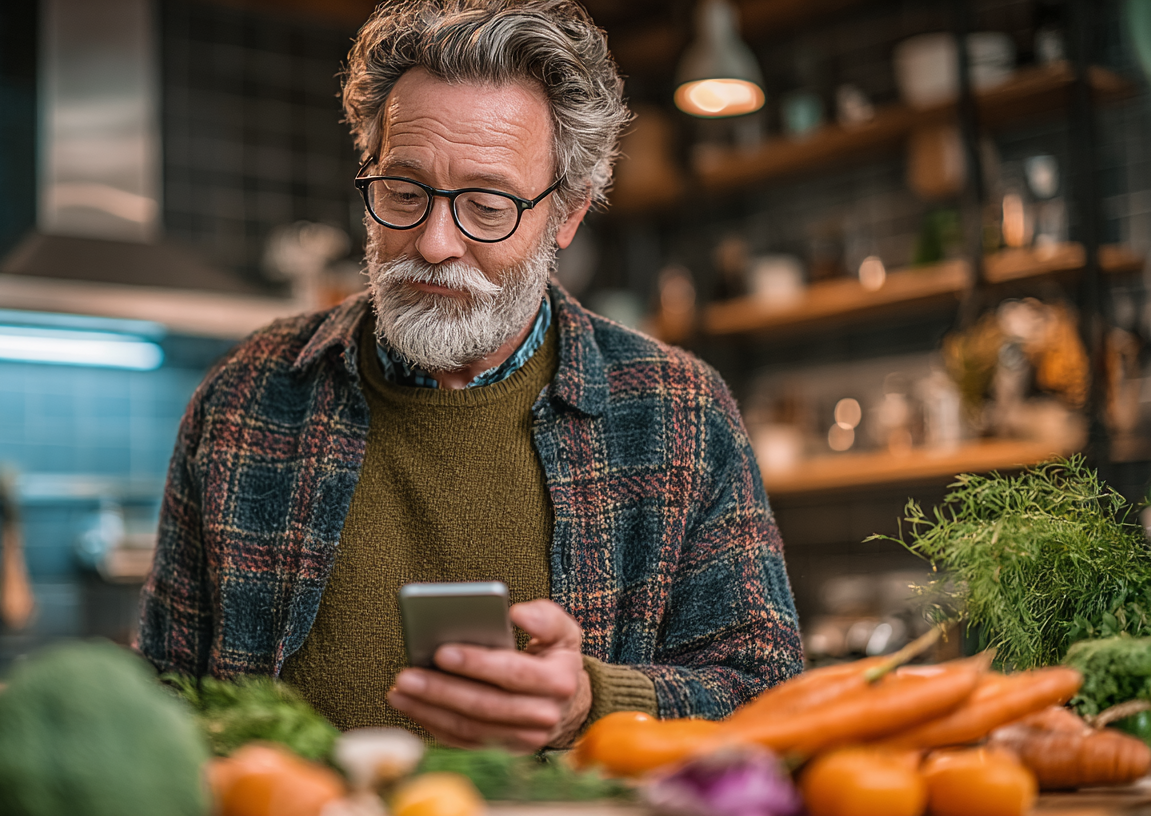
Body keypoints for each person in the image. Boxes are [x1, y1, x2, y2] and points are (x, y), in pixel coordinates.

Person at [137, 0, 802, 752]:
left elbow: (767, 693)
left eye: (487, 205)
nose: (435, 241)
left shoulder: (679, 411)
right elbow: (162, 699)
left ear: (568, 215)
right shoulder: (244, 399)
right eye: (404, 191)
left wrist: (594, 704)